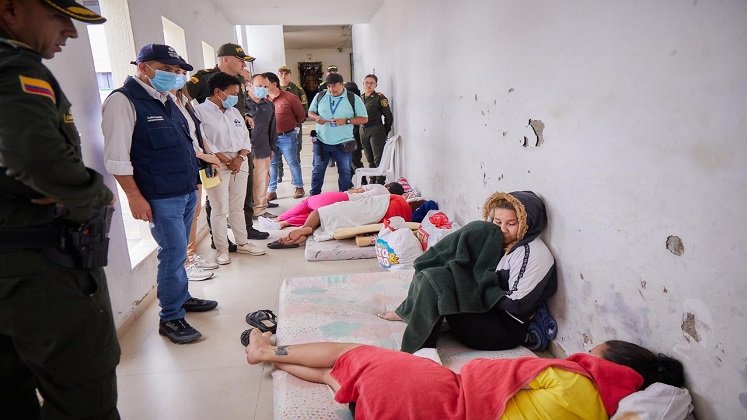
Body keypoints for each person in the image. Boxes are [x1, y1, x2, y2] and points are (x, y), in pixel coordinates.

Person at [0, 1, 120, 417]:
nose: (69, 31)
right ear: (10, 10)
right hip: (39, 270)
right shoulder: (15, 67)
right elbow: (38, 159)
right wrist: (95, 194)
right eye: (58, 16)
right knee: (83, 397)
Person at [245, 329, 685, 419]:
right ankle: (274, 359)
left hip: (443, 401)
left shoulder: (567, 375)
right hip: (387, 411)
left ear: (605, 363)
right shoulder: (596, 412)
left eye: (591, 351)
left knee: (353, 351)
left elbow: (485, 375)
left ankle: (266, 350)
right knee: (334, 379)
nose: (580, 353)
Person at [102, 44, 218, 344]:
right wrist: (134, 197)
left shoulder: (169, 101)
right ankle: (171, 317)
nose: (174, 76)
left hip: (185, 189)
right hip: (159, 195)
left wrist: (197, 180)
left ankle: (182, 297)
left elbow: (186, 145)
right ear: (143, 67)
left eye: (177, 72)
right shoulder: (123, 101)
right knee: (173, 253)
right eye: (166, 70)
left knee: (179, 252)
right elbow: (116, 157)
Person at [379, 191, 557, 353]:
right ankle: (410, 313)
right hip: (485, 313)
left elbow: (517, 305)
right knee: (435, 269)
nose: (502, 229)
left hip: (501, 331)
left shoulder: (531, 252)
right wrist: (467, 279)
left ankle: (417, 352)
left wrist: (472, 285)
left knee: (438, 283)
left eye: (511, 224)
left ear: (528, 223)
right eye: (497, 222)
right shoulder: (498, 241)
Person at [186, 43, 270, 241]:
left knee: (244, 189)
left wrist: (247, 115)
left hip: (238, 143)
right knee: (216, 198)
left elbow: (239, 107)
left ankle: (246, 228)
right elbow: (184, 100)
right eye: (239, 59)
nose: (243, 64)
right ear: (225, 59)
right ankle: (219, 238)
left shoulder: (238, 81)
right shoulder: (203, 77)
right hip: (212, 147)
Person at [194, 72, 266, 265]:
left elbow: (244, 136)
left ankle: (242, 243)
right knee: (219, 209)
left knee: (238, 206)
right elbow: (203, 140)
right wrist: (225, 159)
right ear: (218, 92)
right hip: (215, 164)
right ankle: (221, 249)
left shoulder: (234, 112)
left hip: (239, 162)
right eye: (233, 93)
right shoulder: (200, 112)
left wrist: (240, 157)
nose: (236, 97)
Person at [172, 66, 221, 281]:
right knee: (179, 219)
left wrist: (208, 152)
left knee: (193, 213)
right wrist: (203, 154)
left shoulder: (185, 103)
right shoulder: (162, 104)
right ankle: (184, 262)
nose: (179, 77)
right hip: (182, 166)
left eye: (181, 72)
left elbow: (195, 134)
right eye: (173, 71)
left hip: (196, 164)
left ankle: (190, 255)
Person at [268, 183, 411, 249]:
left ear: (389, 186)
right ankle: (298, 229)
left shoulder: (383, 189)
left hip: (364, 202)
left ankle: (295, 226)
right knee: (323, 215)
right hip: (389, 212)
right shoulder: (401, 203)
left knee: (314, 210)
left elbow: (357, 191)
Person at [308, 73, 369, 195]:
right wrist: (316, 117)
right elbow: (310, 112)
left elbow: (364, 119)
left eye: (334, 86)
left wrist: (347, 121)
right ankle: (314, 197)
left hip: (344, 143)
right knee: (317, 171)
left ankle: (343, 196)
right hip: (321, 141)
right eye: (329, 86)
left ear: (342, 85)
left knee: (345, 172)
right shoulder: (320, 96)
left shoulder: (353, 98)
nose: (331, 89)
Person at [264, 182, 405, 229]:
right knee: (317, 216)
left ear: (389, 185)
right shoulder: (387, 201)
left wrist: (347, 191)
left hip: (346, 198)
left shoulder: (381, 187)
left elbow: (358, 190)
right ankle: (283, 224)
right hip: (349, 209)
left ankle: (279, 219)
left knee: (307, 203)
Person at [265, 71, 306, 200]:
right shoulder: (263, 99)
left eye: (265, 84)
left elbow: (301, 115)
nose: (262, 87)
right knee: (272, 164)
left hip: (287, 136)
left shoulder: (289, 97)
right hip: (270, 138)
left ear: (274, 84)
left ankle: (299, 187)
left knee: (292, 162)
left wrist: (293, 126)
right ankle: (272, 190)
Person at [245, 73, 278, 219]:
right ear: (249, 86)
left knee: (261, 181)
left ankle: (259, 210)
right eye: (259, 86)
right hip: (243, 151)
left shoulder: (269, 105)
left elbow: (272, 128)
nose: (263, 89)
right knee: (242, 185)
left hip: (262, 148)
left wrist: (272, 147)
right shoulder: (241, 104)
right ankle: (242, 213)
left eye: (265, 86)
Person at [360, 74, 394, 184]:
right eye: (367, 82)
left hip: (376, 130)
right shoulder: (360, 98)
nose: (369, 85)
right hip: (363, 130)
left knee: (378, 159)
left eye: (372, 83)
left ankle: (380, 183)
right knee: (369, 159)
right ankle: (372, 180)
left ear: (376, 85)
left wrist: (384, 131)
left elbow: (388, 116)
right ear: (363, 83)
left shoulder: (380, 98)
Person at [277, 65, 308, 177]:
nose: (284, 76)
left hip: (294, 126)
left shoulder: (297, 89)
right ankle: (279, 174)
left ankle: (296, 176)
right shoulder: (273, 89)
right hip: (276, 127)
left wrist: (298, 121)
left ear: (290, 76)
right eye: (281, 74)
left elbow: (304, 107)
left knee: (295, 150)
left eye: (286, 74)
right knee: (276, 151)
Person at [344, 82, 365, 183]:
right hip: (350, 135)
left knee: (354, 160)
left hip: (355, 136)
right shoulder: (353, 101)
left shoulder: (356, 102)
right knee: (351, 160)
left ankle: (363, 180)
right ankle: (349, 180)